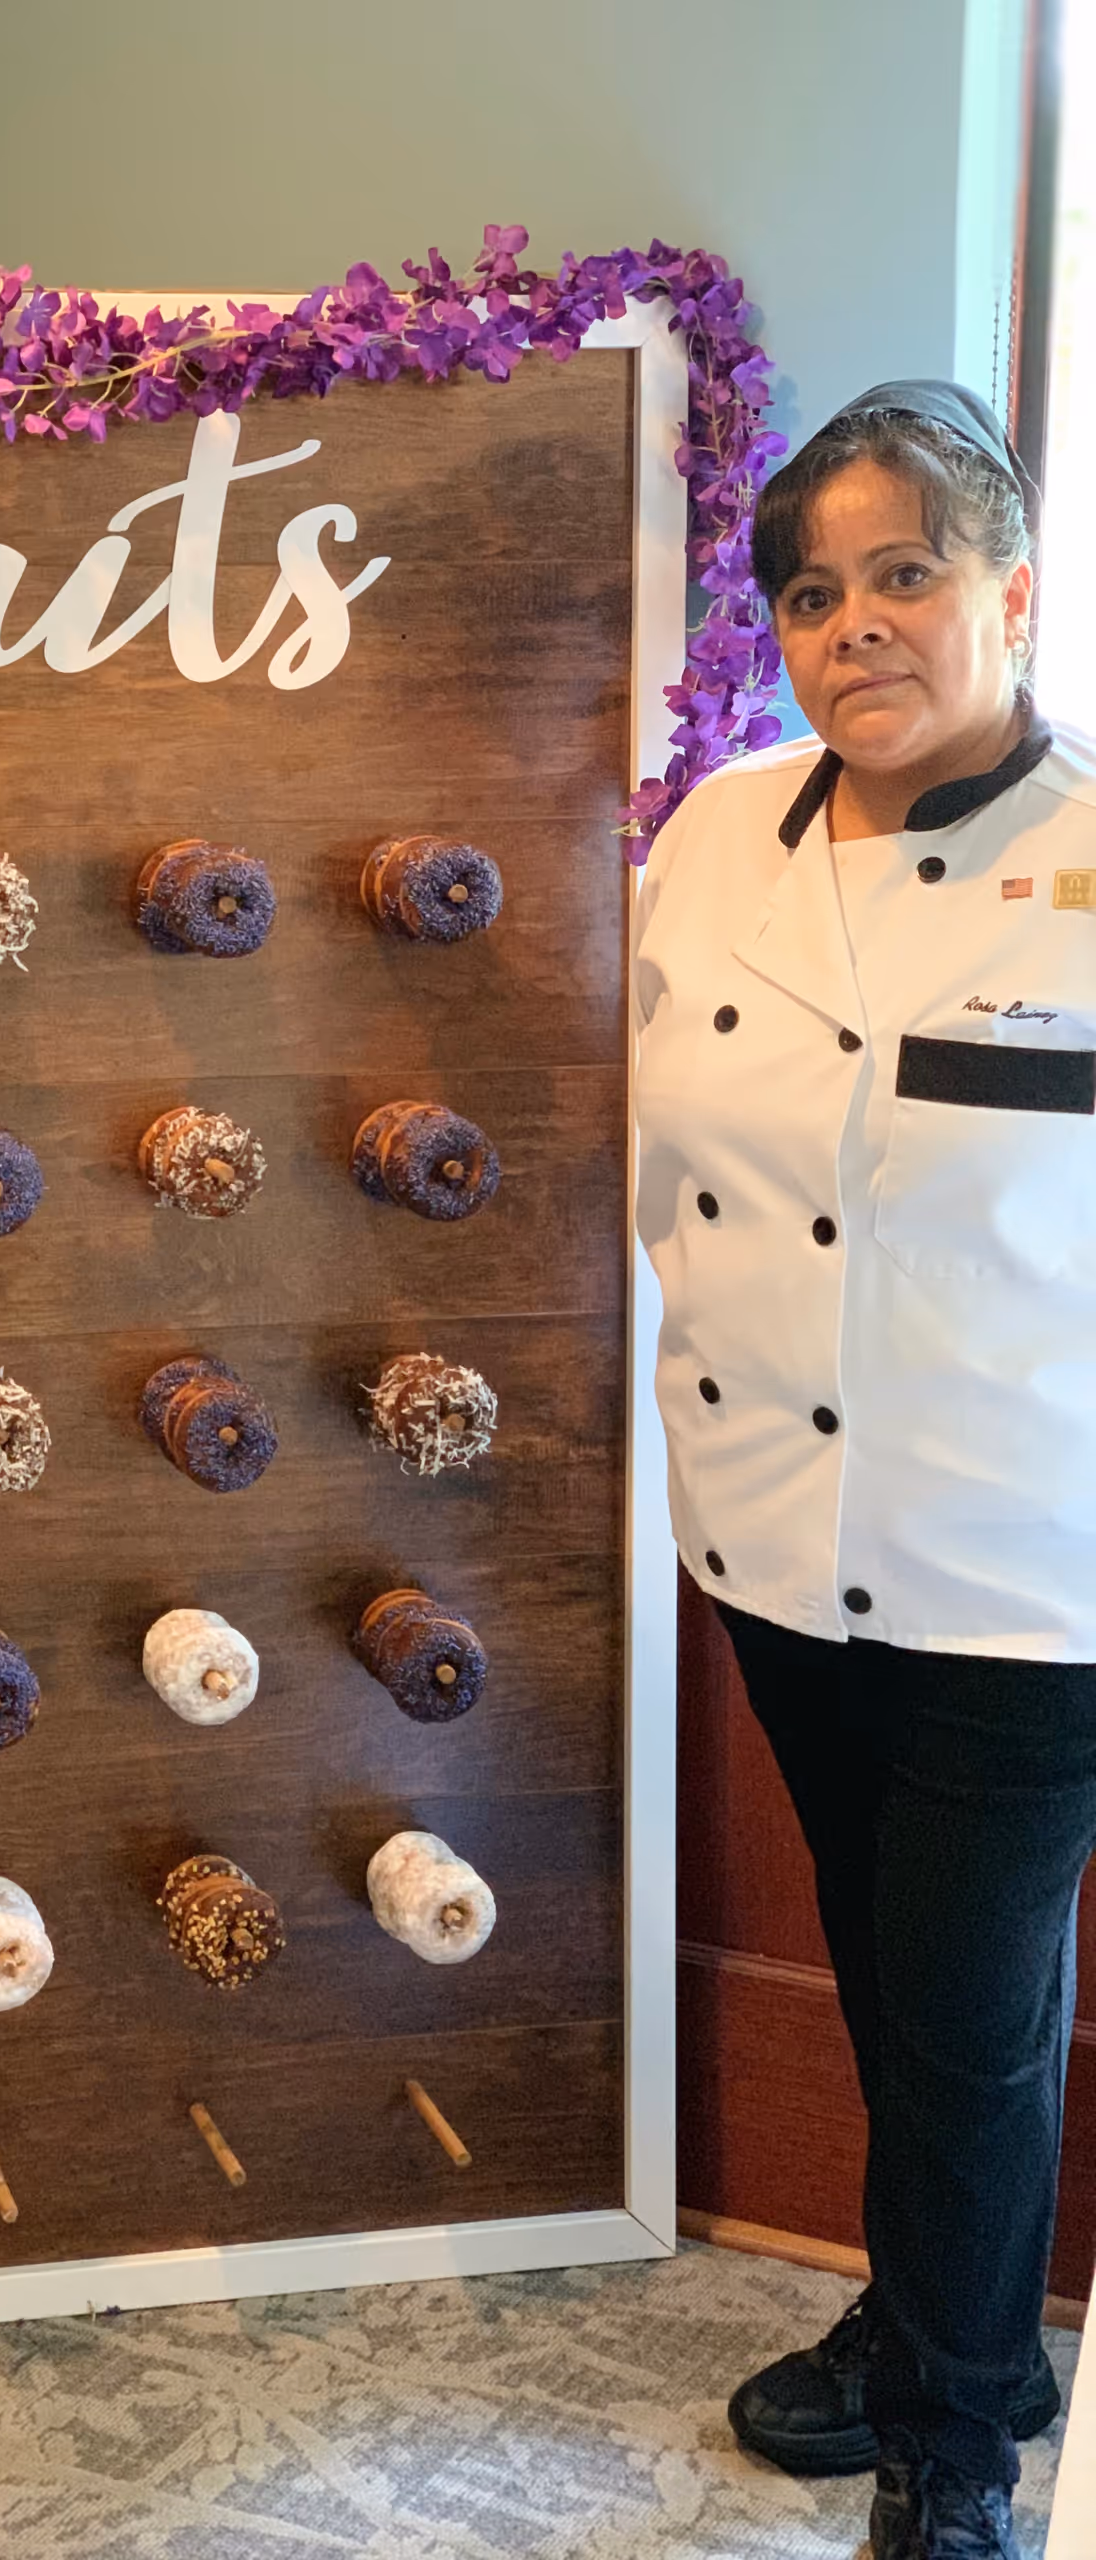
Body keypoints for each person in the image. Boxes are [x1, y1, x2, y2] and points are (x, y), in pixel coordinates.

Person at [633, 378, 1096, 2560]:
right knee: (894, 1974)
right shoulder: (714, 830)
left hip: (1026, 1567)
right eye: (812, 591)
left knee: (975, 2024)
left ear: (1009, 581)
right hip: (772, 1541)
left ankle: (957, 2445)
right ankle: (934, 2334)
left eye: (905, 572)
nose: (856, 625)